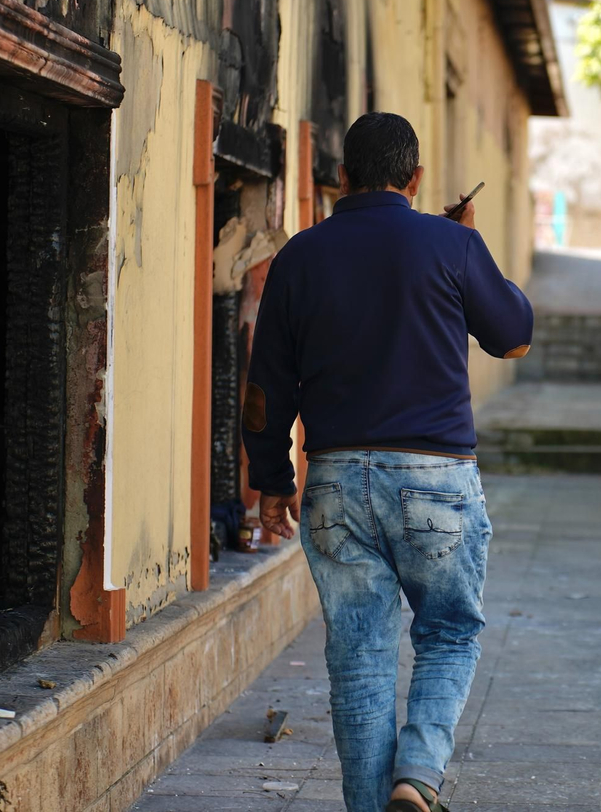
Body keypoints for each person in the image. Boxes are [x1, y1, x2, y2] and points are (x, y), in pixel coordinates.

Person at [242, 112, 533, 812]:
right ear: (418, 179)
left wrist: (272, 483)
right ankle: (418, 774)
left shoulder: (300, 256)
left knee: (359, 656)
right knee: (450, 631)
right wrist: (465, 239)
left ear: (343, 177)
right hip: (436, 479)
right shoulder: (450, 243)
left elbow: (266, 386)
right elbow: (514, 338)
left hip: (337, 480)